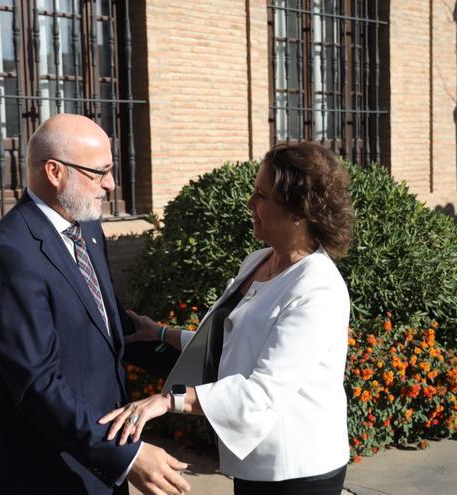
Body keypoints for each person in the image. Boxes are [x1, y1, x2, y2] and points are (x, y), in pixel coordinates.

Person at [102, 142, 354, 495]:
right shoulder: (259, 260)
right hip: (255, 465)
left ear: (298, 211)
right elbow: (231, 343)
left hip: (296, 472)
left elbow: (260, 392)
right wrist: (161, 333)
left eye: (261, 195)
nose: (250, 204)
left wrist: (165, 400)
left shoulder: (317, 289)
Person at [0, 114, 190, 495]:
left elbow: (108, 327)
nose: (111, 184)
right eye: (99, 172)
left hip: (95, 461)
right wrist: (128, 457)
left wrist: (202, 362)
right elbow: (38, 384)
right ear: (54, 172)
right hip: (40, 472)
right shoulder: (10, 255)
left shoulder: (86, 227)